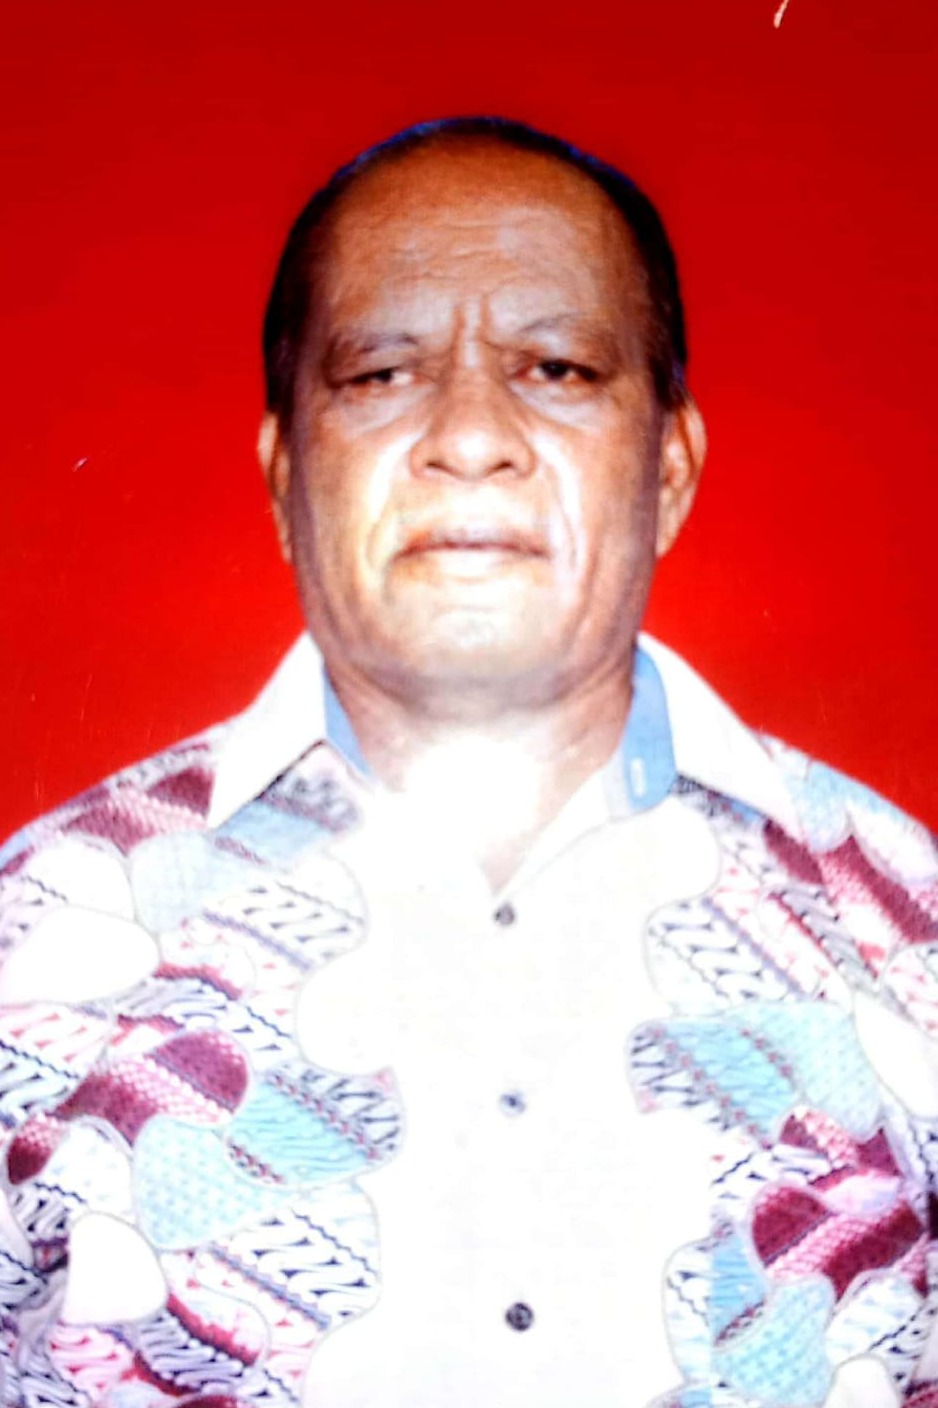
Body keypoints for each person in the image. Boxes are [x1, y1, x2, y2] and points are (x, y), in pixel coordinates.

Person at [0, 116, 937, 1408]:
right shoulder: (38, 935)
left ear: (668, 471)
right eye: (382, 373)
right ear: (284, 478)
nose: (471, 434)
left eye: (556, 367)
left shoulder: (907, 929)